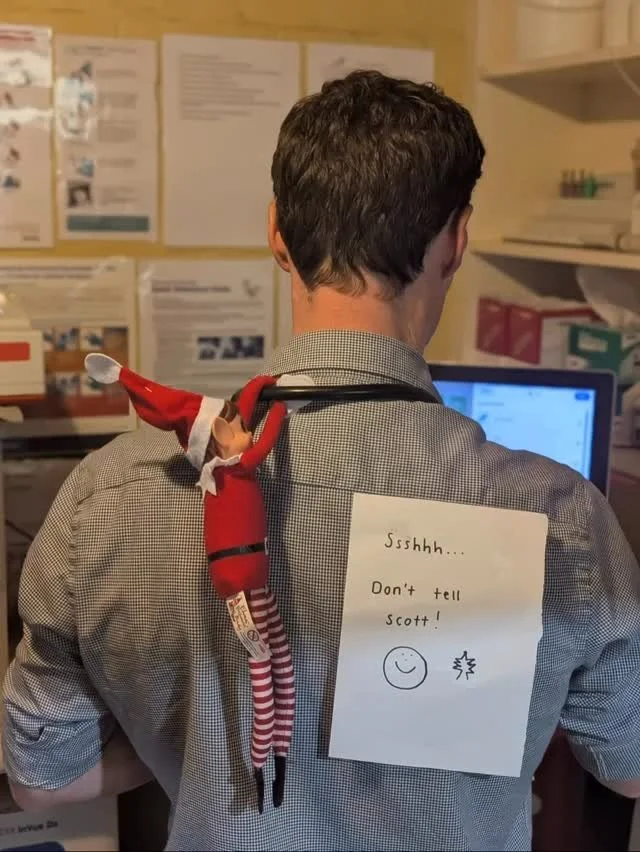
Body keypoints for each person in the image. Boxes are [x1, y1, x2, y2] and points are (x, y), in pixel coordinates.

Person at [2, 70, 640, 852]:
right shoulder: (560, 518)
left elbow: (42, 779)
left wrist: (193, 745)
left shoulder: (108, 495)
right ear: (456, 241)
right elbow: (630, 769)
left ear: (278, 232)